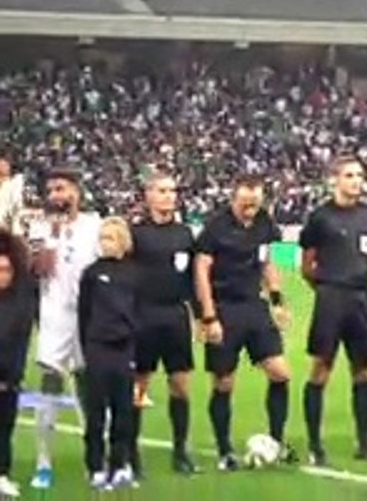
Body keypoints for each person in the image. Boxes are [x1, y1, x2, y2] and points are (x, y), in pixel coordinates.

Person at [194, 174, 295, 471]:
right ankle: (224, 449)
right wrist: (208, 316)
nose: (251, 207)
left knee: (280, 373)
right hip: (224, 308)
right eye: (246, 202)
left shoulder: (264, 222)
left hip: (254, 306)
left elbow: (266, 261)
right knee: (224, 382)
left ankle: (276, 442)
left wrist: (276, 299)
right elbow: (202, 272)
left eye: (256, 201)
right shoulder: (216, 227)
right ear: (234, 198)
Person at [299, 157, 367, 465]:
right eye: (349, 175)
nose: (355, 181)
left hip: (361, 298)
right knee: (322, 367)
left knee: (362, 368)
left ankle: (364, 442)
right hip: (331, 298)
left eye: (359, 175)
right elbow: (307, 265)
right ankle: (314, 445)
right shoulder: (321, 217)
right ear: (334, 179)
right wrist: (327, 289)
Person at [27, 168, 102, 490]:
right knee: (51, 386)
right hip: (54, 316)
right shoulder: (39, 226)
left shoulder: (95, 224)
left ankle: (94, 460)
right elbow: (39, 269)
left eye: (61, 188)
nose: (56, 195)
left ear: (76, 192)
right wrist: (53, 235)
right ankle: (44, 462)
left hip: (89, 317)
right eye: (52, 190)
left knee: (88, 387)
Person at [128, 171, 198, 477]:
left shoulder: (185, 234)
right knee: (139, 388)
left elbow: (193, 279)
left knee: (180, 386)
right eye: (162, 190)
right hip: (143, 316)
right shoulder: (136, 234)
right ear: (149, 196)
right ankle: (131, 452)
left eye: (173, 190)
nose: (169, 196)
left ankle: (180, 450)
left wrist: (199, 316)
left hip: (175, 317)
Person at [78, 218, 140, 491]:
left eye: (111, 238)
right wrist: (87, 346)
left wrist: (135, 348)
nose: (105, 243)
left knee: (123, 411)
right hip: (97, 348)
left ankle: (119, 465)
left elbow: (140, 312)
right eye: (102, 238)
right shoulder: (91, 273)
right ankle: (94, 466)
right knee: (95, 412)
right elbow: (84, 313)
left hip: (124, 349)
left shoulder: (134, 274)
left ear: (123, 241)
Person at [0, 230, 36, 499]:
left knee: (4, 428)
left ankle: (1, 474)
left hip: (7, 379)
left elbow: (19, 345)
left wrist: (8, 377)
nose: (1, 275)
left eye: (5, 270)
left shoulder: (21, 304)